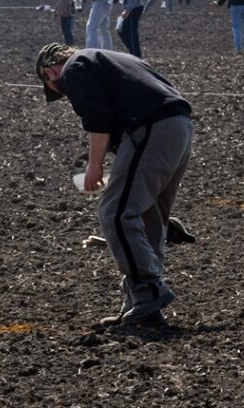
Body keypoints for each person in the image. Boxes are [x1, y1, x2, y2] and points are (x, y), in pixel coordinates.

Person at [34, 43, 193, 328]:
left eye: (53, 87)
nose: (62, 94)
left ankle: (148, 292)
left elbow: (98, 118)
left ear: (50, 71)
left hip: (151, 128)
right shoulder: (110, 59)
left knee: (116, 213)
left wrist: (94, 164)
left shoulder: (75, 68)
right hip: (178, 128)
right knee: (148, 218)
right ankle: (140, 305)